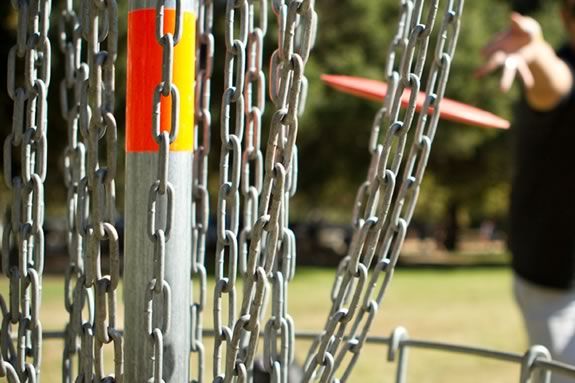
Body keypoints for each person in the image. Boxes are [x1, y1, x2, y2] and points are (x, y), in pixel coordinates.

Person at [478, 2, 575, 381]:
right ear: (568, 19)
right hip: (555, 280)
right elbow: (556, 84)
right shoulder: (561, 72)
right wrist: (534, 54)